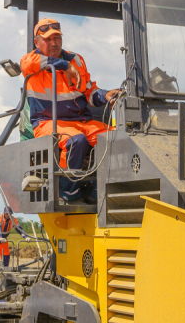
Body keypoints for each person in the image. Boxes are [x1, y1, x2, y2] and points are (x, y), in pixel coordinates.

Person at [20, 18, 119, 202]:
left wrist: (105, 95)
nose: (53, 43)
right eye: (47, 39)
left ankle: (98, 191)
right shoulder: (30, 61)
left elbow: (89, 91)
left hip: (82, 122)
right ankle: (68, 190)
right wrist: (65, 66)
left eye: (56, 38)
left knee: (117, 138)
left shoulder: (76, 59)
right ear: (36, 42)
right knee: (76, 141)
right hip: (47, 123)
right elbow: (25, 64)